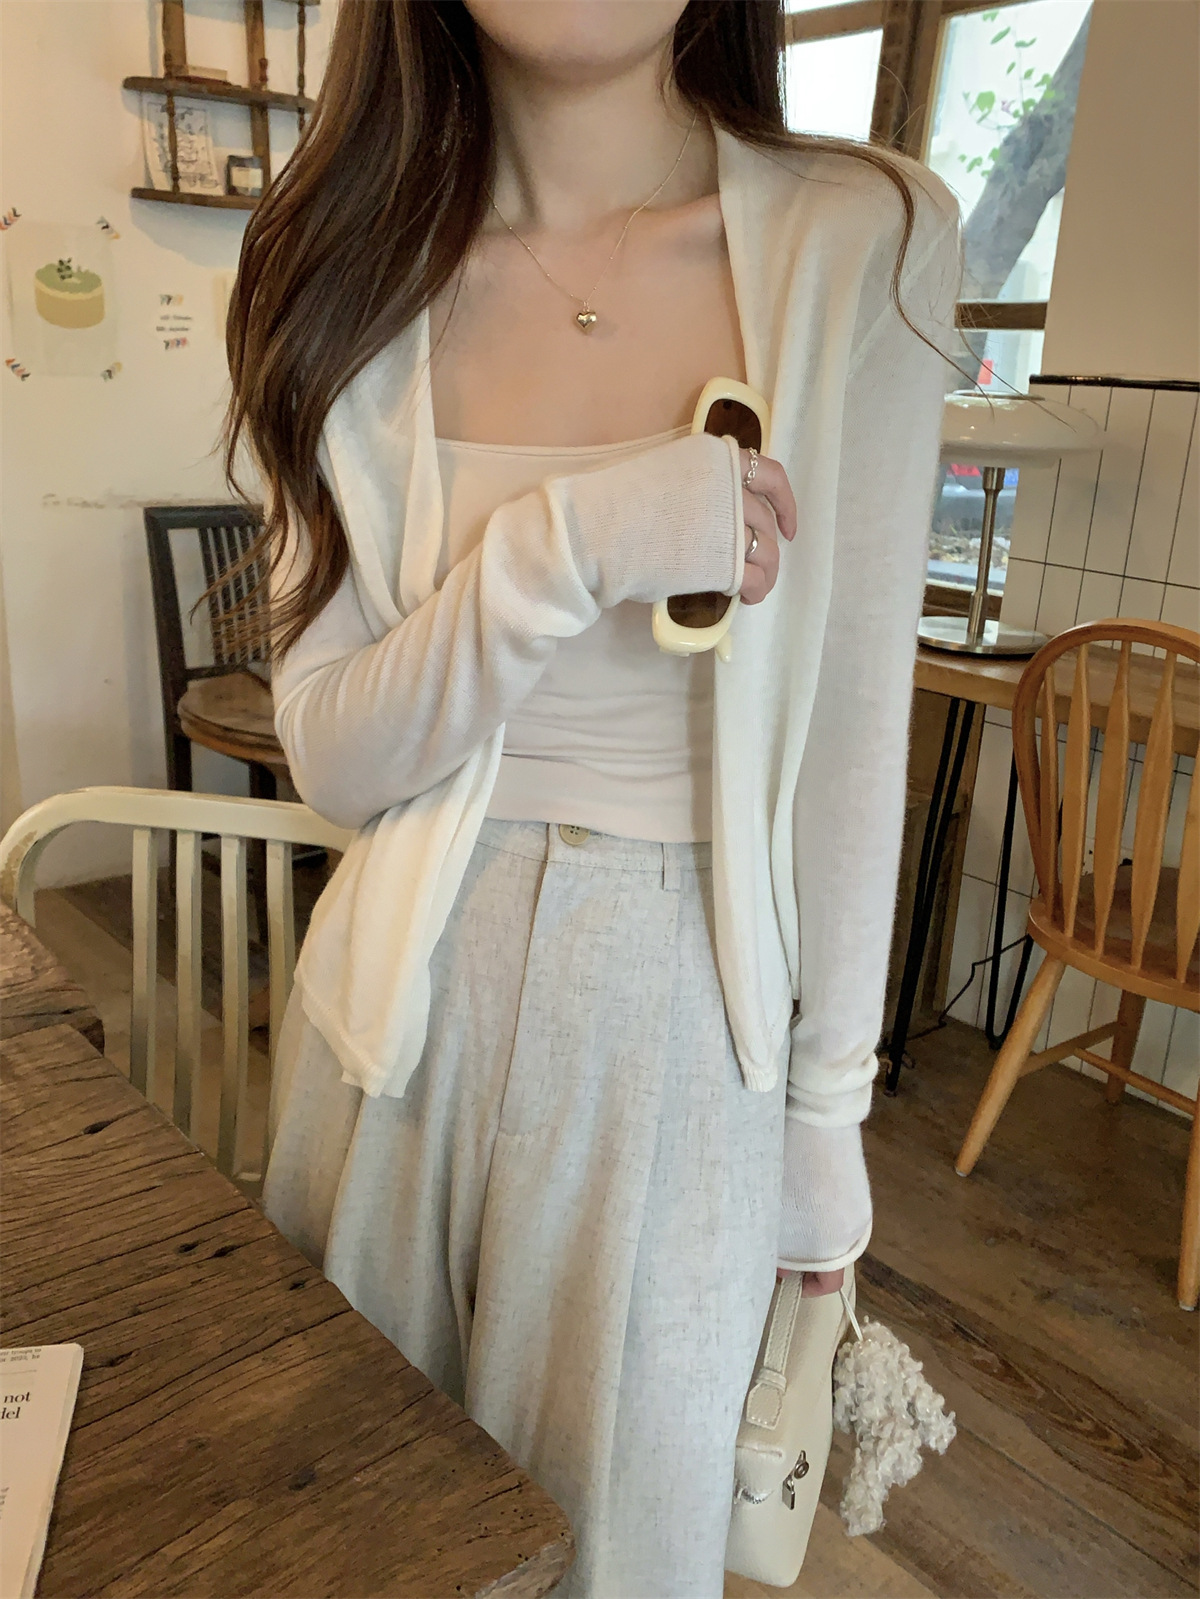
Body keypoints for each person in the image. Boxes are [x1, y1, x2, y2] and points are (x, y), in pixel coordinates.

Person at [226, 3, 961, 1593]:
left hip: (680, 1036)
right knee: (352, 1542)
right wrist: (562, 554)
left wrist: (828, 1119)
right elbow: (337, 756)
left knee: (618, 1562)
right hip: (385, 1028)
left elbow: (855, 730)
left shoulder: (865, 239)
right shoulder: (340, 263)